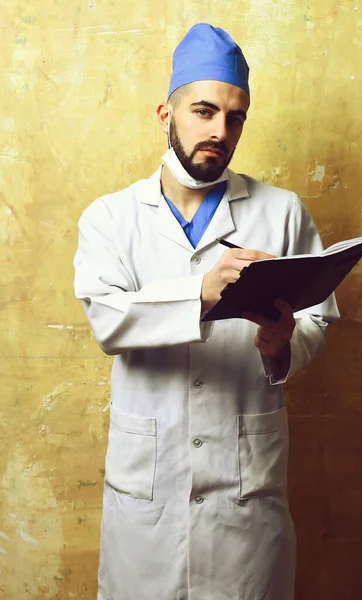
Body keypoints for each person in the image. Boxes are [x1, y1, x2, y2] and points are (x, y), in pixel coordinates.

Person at [74, 23, 339, 600]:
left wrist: (281, 345)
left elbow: (317, 318)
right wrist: (201, 293)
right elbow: (108, 318)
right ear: (165, 114)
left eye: (236, 117)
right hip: (148, 497)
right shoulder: (111, 218)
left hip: (245, 496)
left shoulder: (283, 212)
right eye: (203, 111)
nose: (220, 131)